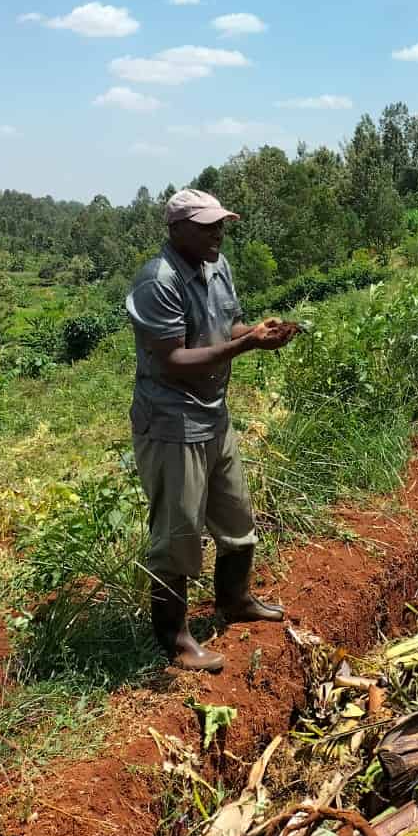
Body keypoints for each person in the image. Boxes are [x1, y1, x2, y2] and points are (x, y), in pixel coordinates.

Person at [126, 188, 299, 672]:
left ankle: (234, 600)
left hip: (213, 413)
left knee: (237, 517)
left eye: (220, 224)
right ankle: (177, 641)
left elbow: (231, 324)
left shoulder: (216, 266)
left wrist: (257, 332)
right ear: (177, 229)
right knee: (178, 533)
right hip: (172, 420)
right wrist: (246, 348)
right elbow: (175, 359)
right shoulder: (156, 281)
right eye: (206, 226)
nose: (217, 233)